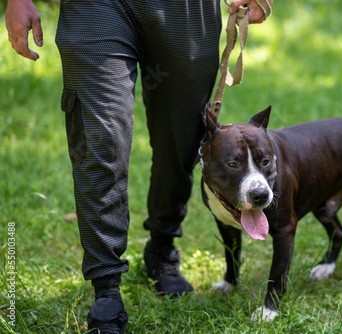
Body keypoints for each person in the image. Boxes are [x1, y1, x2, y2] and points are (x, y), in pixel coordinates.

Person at [6, 0, 273, 332]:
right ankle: (106, 288)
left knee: (182, 137)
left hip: (185, 10)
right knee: (99, 138)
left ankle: (162, 247)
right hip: (94, 8)